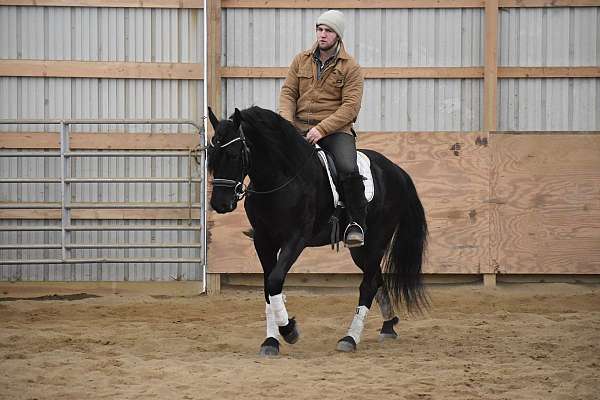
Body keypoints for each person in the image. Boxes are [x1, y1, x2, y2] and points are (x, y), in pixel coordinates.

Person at [279, 9, 367, 248]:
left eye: (328, 31)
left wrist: (322, 129)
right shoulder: (301, 60)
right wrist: (286, 123)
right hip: (298, 129)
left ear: (337, 35)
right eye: (319, 29)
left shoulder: (351, 67)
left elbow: (350, 107)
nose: (322, 35)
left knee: (348, 168)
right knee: (271, 161)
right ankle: (267, 222)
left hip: (335, 132)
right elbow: (288, 93)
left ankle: (355, 223)